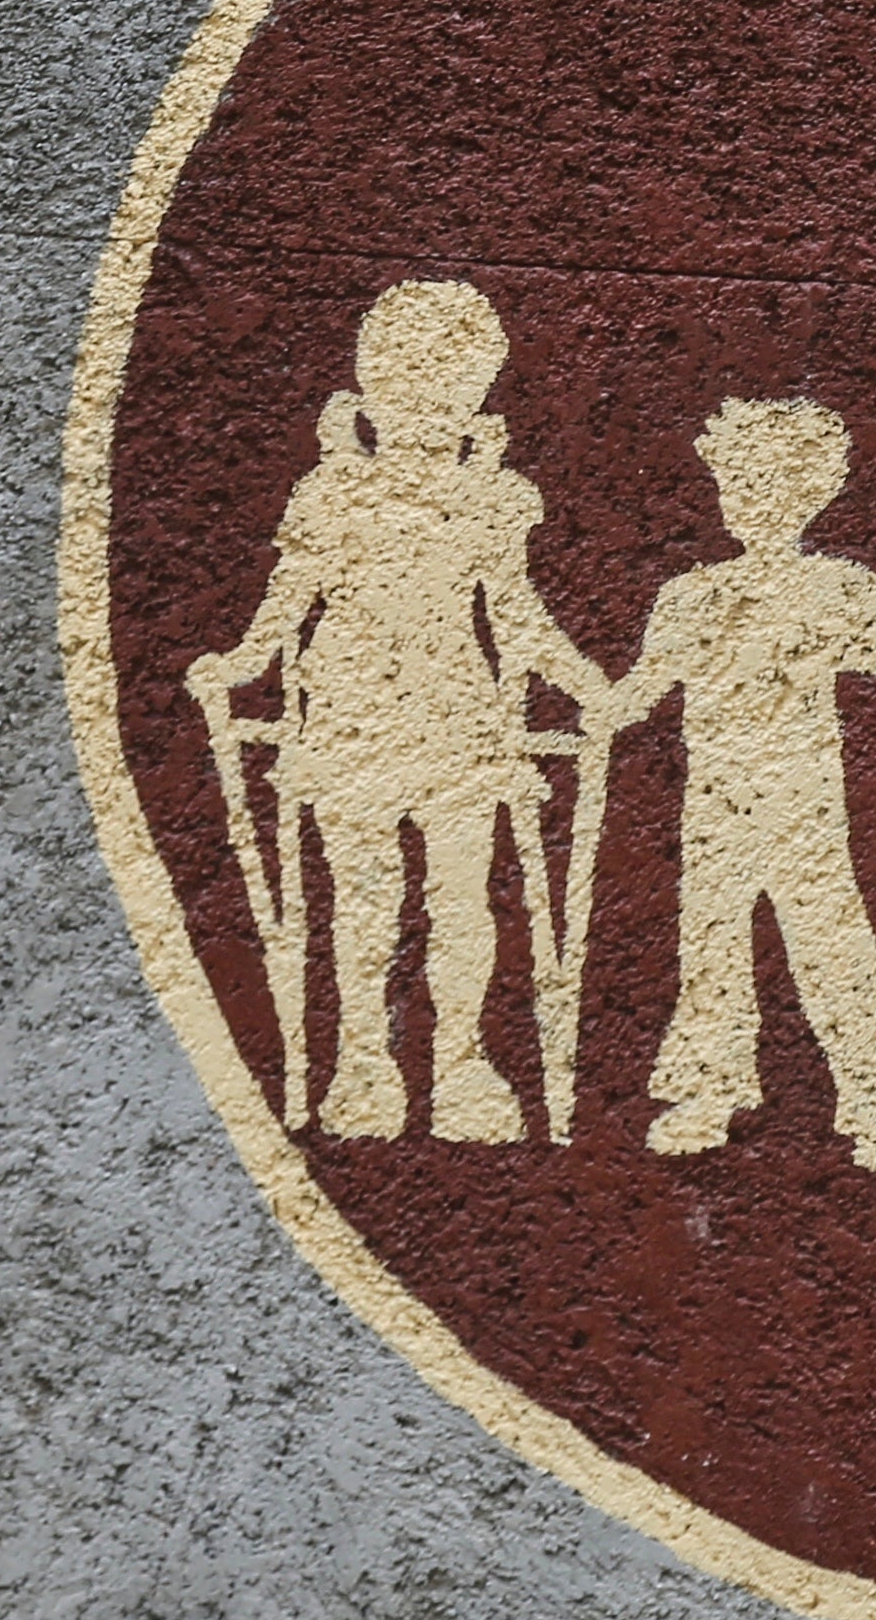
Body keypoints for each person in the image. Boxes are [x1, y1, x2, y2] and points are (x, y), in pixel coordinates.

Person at [190, 279, 613, 1143]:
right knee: (365, 896)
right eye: (408, 391)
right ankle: (364, 1061)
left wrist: (586, 682)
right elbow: (286, 606)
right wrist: (236, 665)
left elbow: (518, 618)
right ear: (372, 394)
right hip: (351, 705)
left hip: (458, 710)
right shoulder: (331, 496)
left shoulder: (492, 500)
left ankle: (460, 1061)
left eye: (445, 397)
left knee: (462, 899)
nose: (424, 415)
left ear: (471, 405)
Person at [605, 397, 876, 1181]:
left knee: (836, 952)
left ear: (812, 495)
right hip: (716, 810)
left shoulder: (837, 588)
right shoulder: (691, 597)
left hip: (804, 810)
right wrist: (588, 711)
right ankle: (707, 1093)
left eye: (775, 487)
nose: (754, 502)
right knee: (711, 948)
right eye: (740, 484)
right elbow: (638, 689)